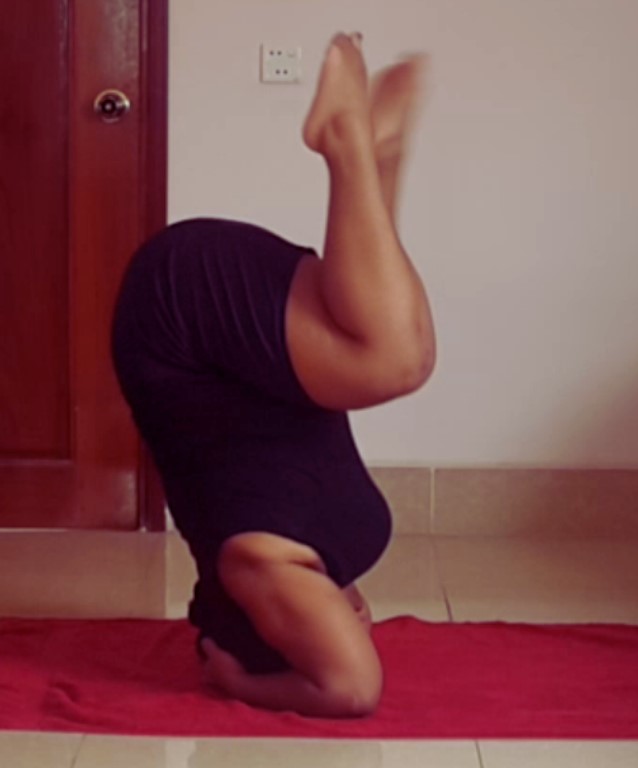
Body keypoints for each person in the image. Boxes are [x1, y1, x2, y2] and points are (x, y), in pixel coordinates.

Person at [111, 32, 435, 718]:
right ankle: (369, 167)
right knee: (377, 345)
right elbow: (342, 635)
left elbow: (352, 689)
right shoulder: (302, 560)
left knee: (393, 360)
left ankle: (348, 150)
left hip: (176, 310)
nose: (353, 625)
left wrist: (239, 685)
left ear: (270, 633)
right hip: (215, 336)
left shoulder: (260, 569)